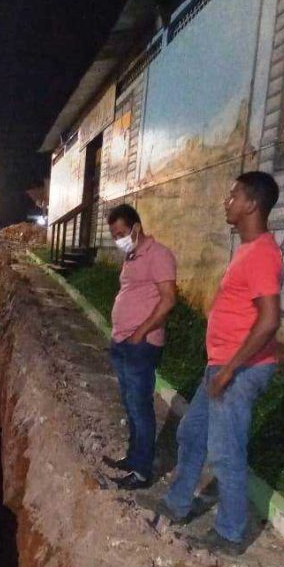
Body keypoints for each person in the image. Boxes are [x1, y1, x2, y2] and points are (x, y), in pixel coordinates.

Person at [157, 171, 282, 555]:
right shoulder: (247, 249)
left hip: (239, 369)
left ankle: (230, 534)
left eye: (232, 196)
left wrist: (229, 370)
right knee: (191, 435)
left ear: (252, 204)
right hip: (222, 365)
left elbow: (270, 320)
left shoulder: (262, 253)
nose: (225, 202)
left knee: (225, 452)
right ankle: (178, 504)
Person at [104, 204, 177, 490]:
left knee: (140, 407)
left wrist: (140, 332)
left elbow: (168, 299)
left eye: (121, 233)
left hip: (140, 345)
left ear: (136, 228)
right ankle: (133, 459)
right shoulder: (132, 255)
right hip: (122, 341)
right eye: (114, 235)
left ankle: (142, 471)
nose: (118, 239)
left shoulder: (158, 255)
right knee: (130, 404)